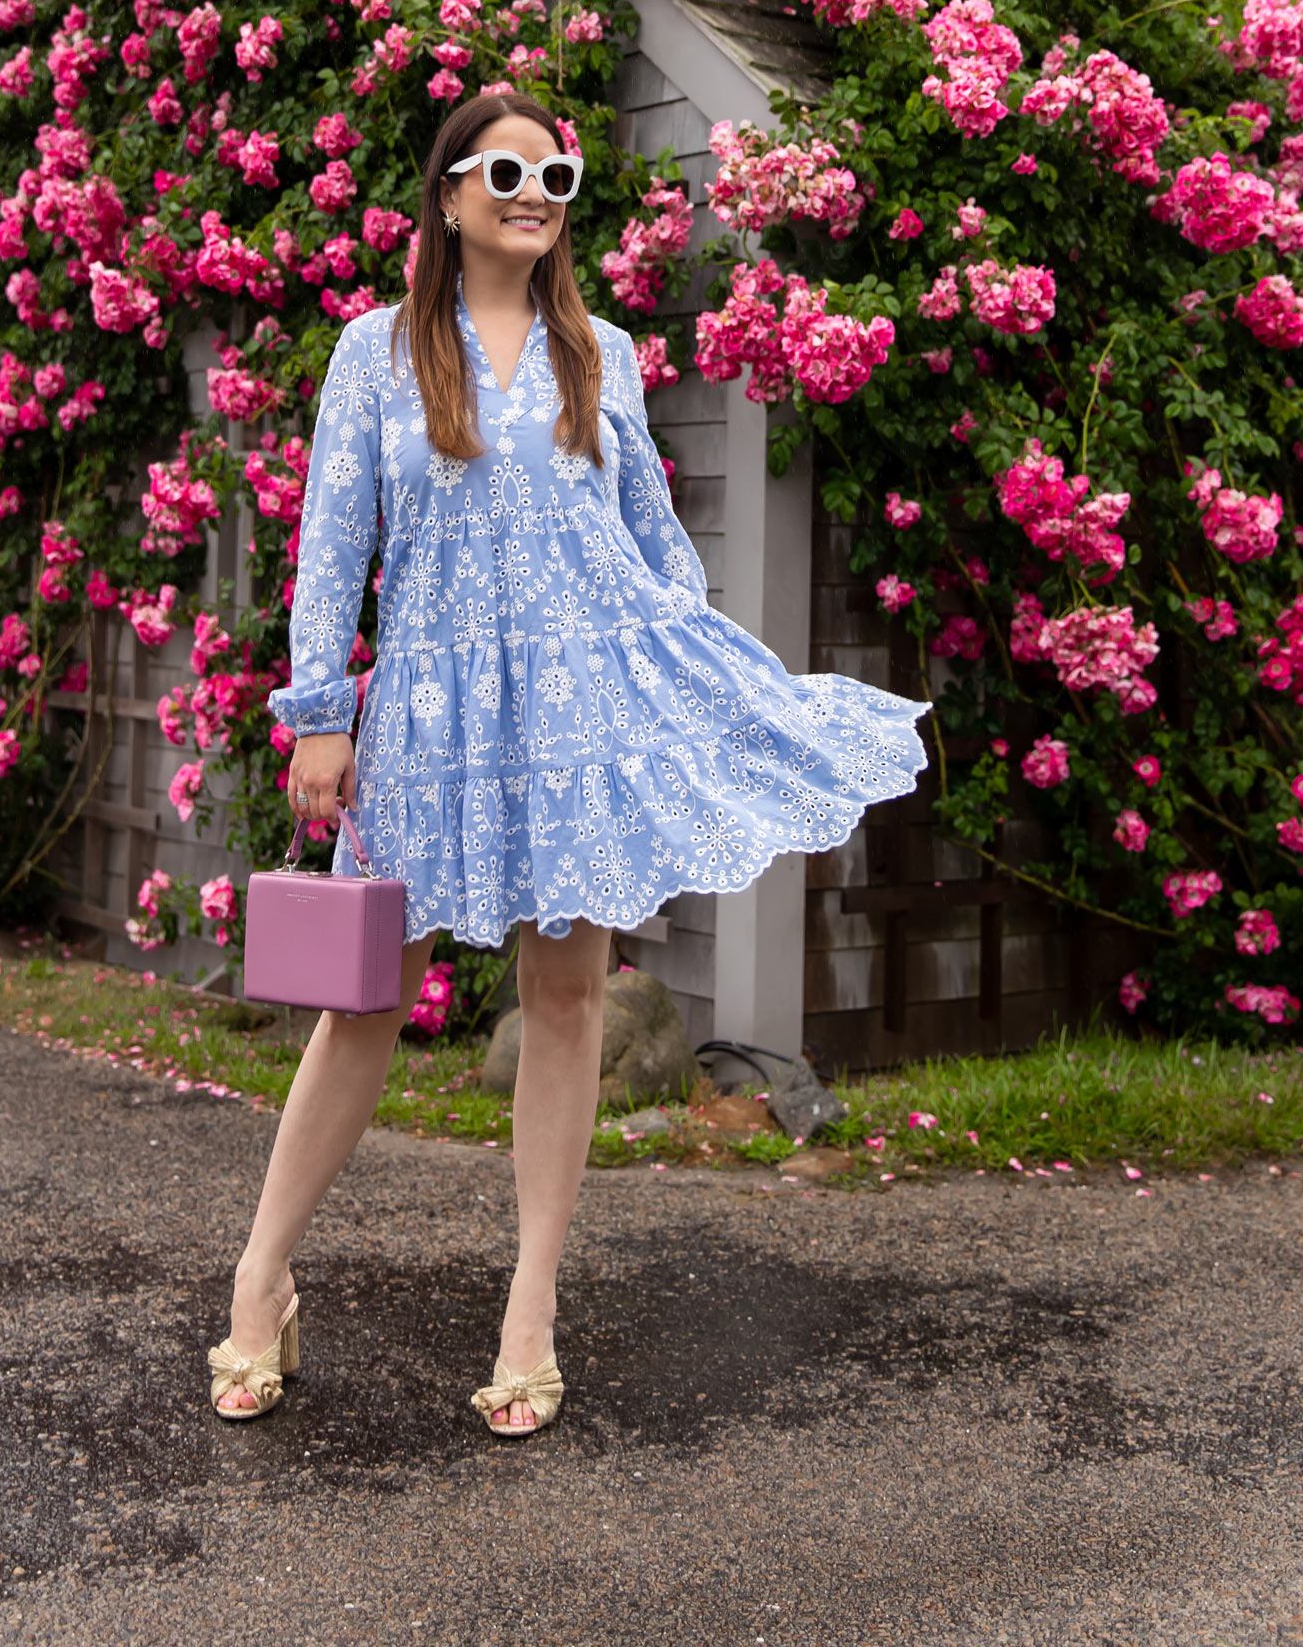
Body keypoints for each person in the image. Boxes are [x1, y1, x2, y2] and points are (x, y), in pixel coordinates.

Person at [209, 90, 927, 1435]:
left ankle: (530, 1308)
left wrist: (677, 680)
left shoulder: (601, 354)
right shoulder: (373, 354)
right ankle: (262, 1280)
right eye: (507, 169)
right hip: (426, 722)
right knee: (361, 1004)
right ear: (450, 191)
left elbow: (655, 544)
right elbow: (329, 544)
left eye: (559, 172)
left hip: (578, 725)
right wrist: (317, 711)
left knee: (565, 999)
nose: (535, 191)